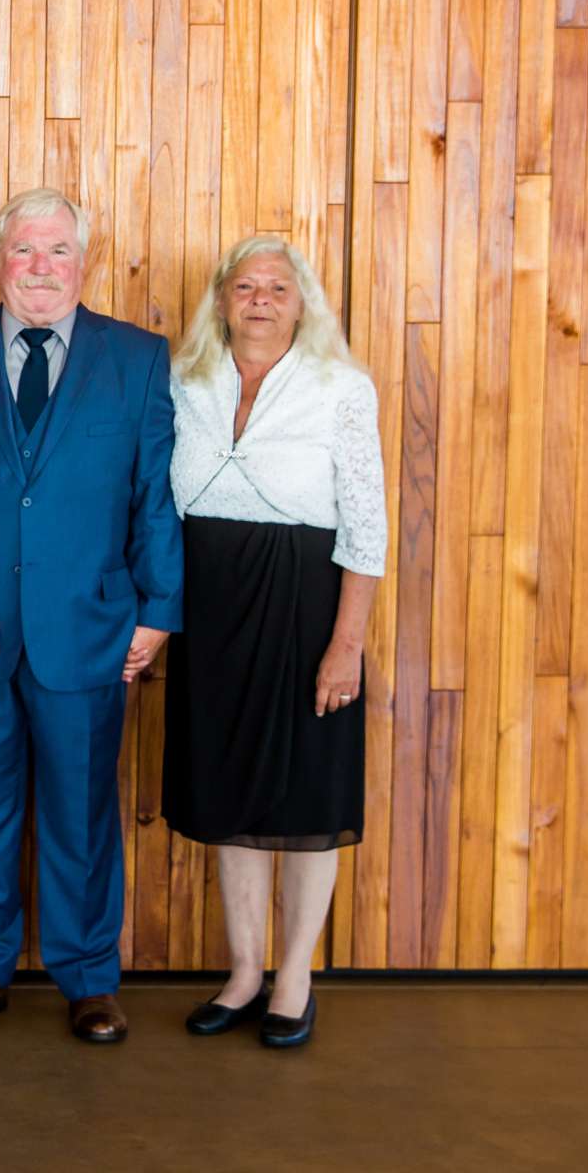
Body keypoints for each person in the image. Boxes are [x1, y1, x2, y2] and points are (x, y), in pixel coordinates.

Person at [0, 188, 184, 1044]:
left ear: (83, 261)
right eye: (23, 249)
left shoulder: (137, 360)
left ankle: (88, 976)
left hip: (90, 627)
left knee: (83, 809)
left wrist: (157, 610)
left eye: (57, 249)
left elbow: (154, 494)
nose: (39, 266)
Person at [164, 235, 386, 1049]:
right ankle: (245, 971)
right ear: (221, 299)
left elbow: (366, 525)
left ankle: (295, 977)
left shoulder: (341, 387)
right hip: (211, 605)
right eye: (246, 286)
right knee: (229, 800)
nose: (261, 298)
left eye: (278, 288)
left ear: (303, 304)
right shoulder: (187, 379)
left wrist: (347, 644)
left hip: (305, 609)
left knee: (305, 801)